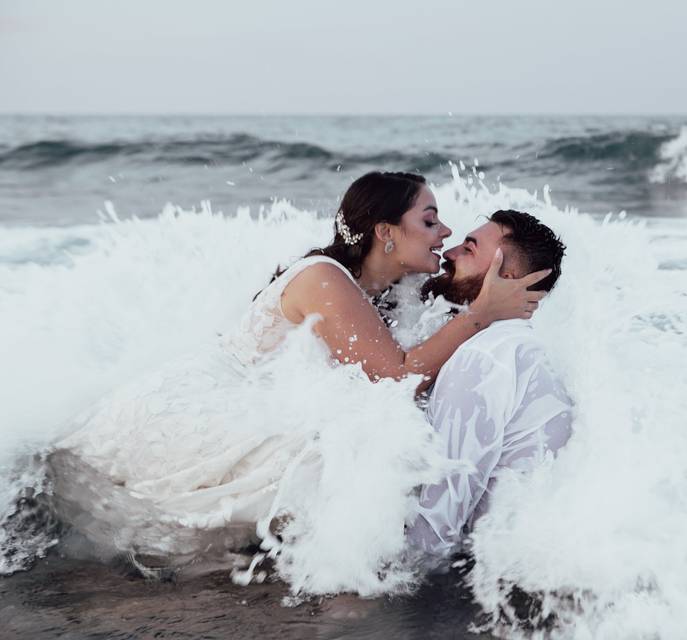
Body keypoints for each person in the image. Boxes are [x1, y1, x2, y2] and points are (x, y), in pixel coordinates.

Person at [51, 173, 551, 563]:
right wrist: (483, 312)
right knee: (338, 453)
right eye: (429, 220)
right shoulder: (325, 280)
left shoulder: (391, 292)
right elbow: (394, 377)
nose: (444, 232)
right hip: (202, 409)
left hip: (257, 405)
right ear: (386, 232)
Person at [407, 210, 574, 558]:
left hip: (490, 580)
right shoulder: (525, 347)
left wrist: (376, 593)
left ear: (507, 278)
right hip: (521, 563)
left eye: (468, 249)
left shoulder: (482, 358)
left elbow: (438, 525)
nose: (448, 254)